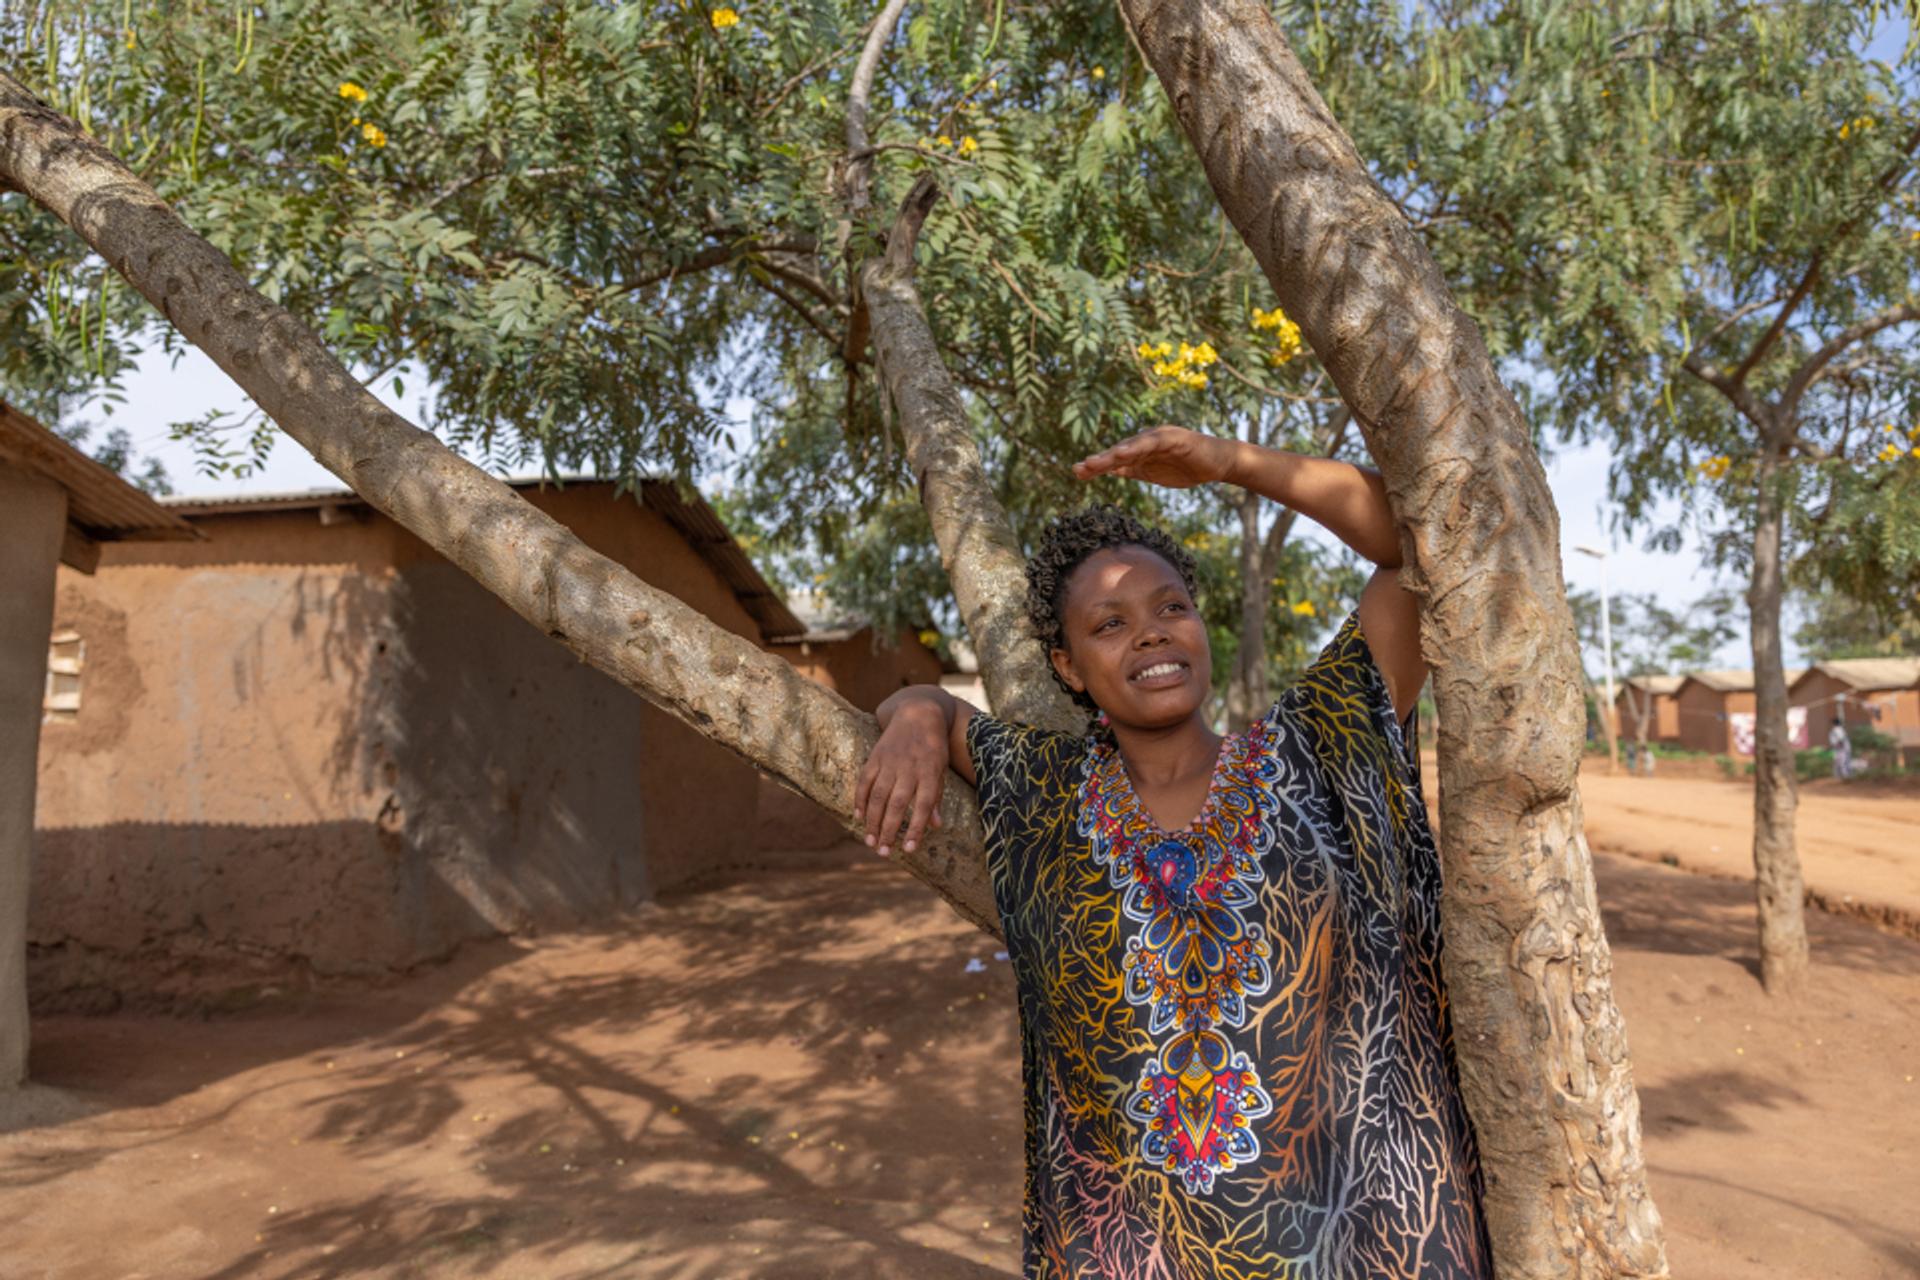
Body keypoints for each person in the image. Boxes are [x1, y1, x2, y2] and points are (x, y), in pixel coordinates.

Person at [855, 425, 1494, 1279]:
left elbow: (1417, 546)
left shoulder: (1316, 748)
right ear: (1067, 666)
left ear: (1200, 627)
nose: (1150, 634)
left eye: (1170, 608)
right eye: (1110, 624)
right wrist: (916, 717)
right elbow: (922, 694)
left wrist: (1232, 465)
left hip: (1371, 1249)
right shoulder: (1044, 791)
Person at [1830, 715, 1852, 781]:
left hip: (1841, 749)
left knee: (1841, 763)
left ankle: (1844, 776)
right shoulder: (1841, 729)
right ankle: (1843, 776)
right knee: (1842, 762)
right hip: (1843, 748)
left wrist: (1839, 745)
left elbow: (1840, 740)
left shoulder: (1837, 730)